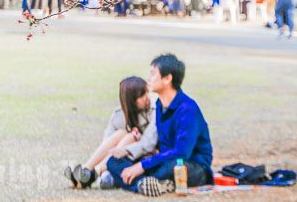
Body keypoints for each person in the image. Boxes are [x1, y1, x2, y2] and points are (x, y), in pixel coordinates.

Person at [106, 54, 213, 197]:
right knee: (114, 162)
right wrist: (149, 155)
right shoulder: (159, 105)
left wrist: (143, 165)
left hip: (192, 167)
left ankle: (139, 182)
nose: (149, 79)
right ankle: (145, 184)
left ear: (167, 79)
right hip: (164, 160)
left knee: (171, 167)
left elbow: (182, 152)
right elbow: (162, 145)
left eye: (153, 74)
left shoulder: (187, 109)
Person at [64, 76, 157, 190]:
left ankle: (95, 172)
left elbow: (150, 142)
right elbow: (107, 142)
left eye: (147, 92)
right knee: (122, 133)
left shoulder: (154, 109)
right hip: (119, 157)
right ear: (130, 100)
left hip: (145, 154)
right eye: (141, 96)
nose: (147, 97)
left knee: (130, 137)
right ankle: (87, 170)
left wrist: (135, 138)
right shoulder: (119, 115)